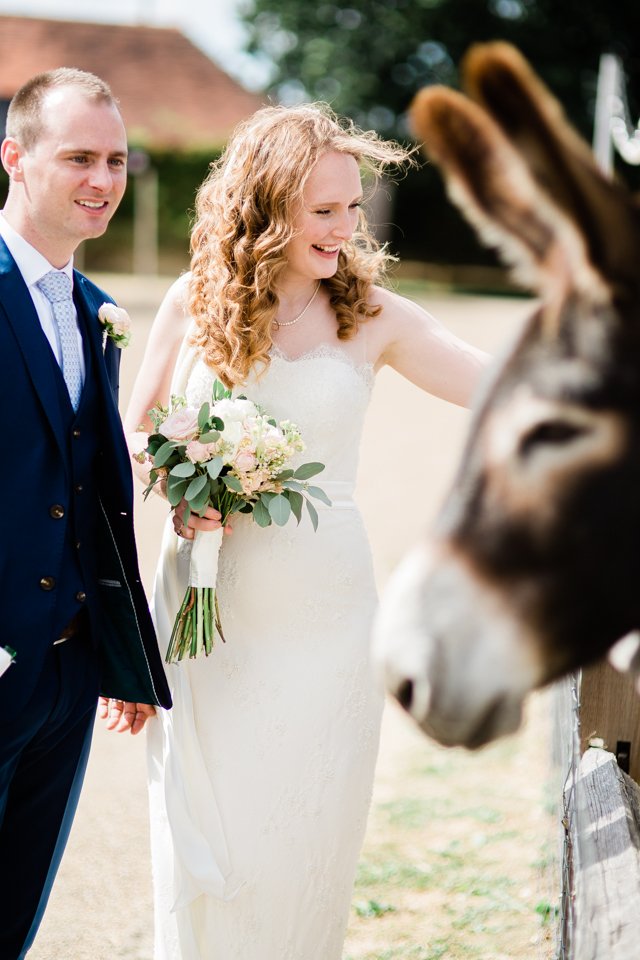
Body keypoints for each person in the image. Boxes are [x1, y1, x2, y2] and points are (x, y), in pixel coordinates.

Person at [125, 103, 487, 960]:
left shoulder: (374, 318)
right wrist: (181, 476)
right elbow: (133, 430)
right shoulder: (193, 301)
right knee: (218, 832)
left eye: (352, 209)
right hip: (209, 620)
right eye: (324, 210)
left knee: (301, 838)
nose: (345, 228)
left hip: (326, 623)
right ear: (266, 206)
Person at [0, 68, 172, 959]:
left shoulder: (97, 309)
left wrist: (119, 651)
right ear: (14, 158)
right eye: (78, 157)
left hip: (67, 680)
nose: (102, 179)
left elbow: (82, 477)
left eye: (114, 159)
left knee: (14, 911)